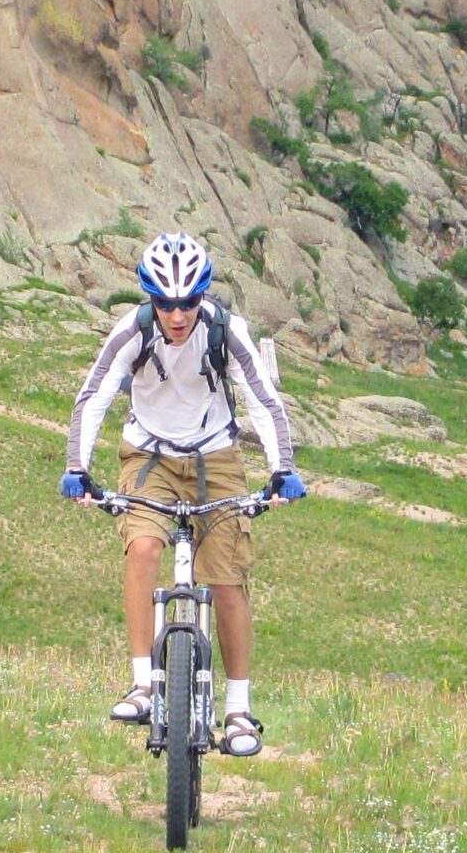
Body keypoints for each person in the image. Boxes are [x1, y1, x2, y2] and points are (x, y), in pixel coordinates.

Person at [61, 231, 304, 757]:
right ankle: (144, 684)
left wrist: (283, 469)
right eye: (166, 303)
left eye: (189, 302)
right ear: (151, 298)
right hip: (148, 457)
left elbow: (264, 401)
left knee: (226, 579)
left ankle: (238, 711)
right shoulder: (133, 331)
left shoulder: (225, 331)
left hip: (216, 458)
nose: (177, 314)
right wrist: (76, 468)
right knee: (144, 548)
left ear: (203, 296)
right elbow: (94, 394)